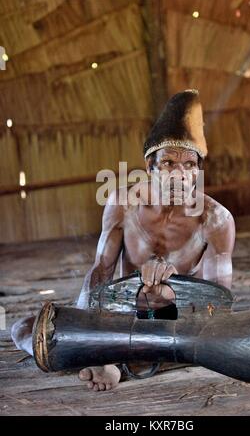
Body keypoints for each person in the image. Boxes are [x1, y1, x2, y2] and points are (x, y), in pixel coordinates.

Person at [11, 89, 235, 392]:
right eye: (169, 163)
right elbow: (101, 270)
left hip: (178, 321)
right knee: (25, 328)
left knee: (209, 341)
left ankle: (115, 359)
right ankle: (115, 355)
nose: (179, 175)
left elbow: (217, 305)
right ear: (150, 167)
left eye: (189, 165)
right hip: (123, 312)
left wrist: (172, 291)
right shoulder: (123, 204)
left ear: (198, 171)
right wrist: (84, 329)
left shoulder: (216, 220)